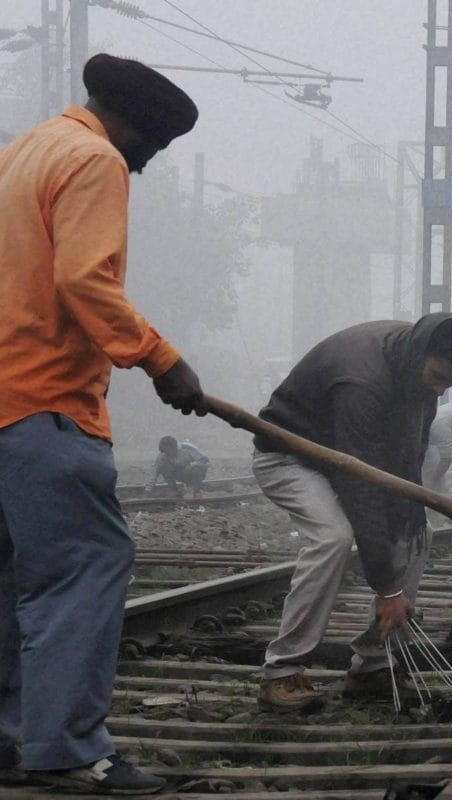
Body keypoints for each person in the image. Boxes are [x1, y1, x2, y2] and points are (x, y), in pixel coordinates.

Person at [0, 54, 203, 795]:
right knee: (86, 565)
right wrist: (158, 358)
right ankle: (70, 750)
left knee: (10, 580)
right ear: (137, 127)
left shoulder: (22, 151)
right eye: (155, 147)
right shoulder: (94, 159)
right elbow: (85, 277)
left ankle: (12, 737)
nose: (147, 164)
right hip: (44, 403)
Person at [253, 315, 452, 713]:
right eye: (438, 377)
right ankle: (281, 671)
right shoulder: (361, 380)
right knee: (333, 537)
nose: (440, 390)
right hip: (290, 456)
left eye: (451, 384)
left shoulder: (418, 371)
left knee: (414, 530)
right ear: (421, 354)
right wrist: (387, 589)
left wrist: (409, 517)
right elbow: (360, 486)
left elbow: (407, 460)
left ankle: (374, 668)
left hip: (348, 459)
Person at [146, 435, 210, 498]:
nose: (166, 454)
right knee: (163, 467)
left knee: (196, 469)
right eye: (165, 452)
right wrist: (148, 490)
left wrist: (193, 464)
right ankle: (174, 490)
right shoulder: (163, 455)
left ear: (174, 448)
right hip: (179, 474)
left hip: (194, 473)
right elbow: (154, 471)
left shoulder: (187, 448)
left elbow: (205, 460)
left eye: (168, 451)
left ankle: (197, 491)